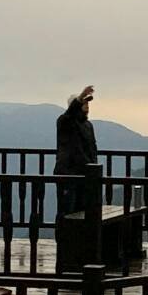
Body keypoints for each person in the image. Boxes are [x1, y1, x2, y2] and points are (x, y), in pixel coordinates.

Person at [55, 85, 98, 216]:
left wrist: (93, 168)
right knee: (67, 212)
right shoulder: (65, 122)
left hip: (85, 174)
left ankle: (79, 237)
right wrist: (79, 98)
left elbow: (92, 148)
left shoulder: (88, 125)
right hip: (68, 174)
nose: (87, 105)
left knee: (82, 211)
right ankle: (64, 236)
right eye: (83, 102)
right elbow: (69, 114)